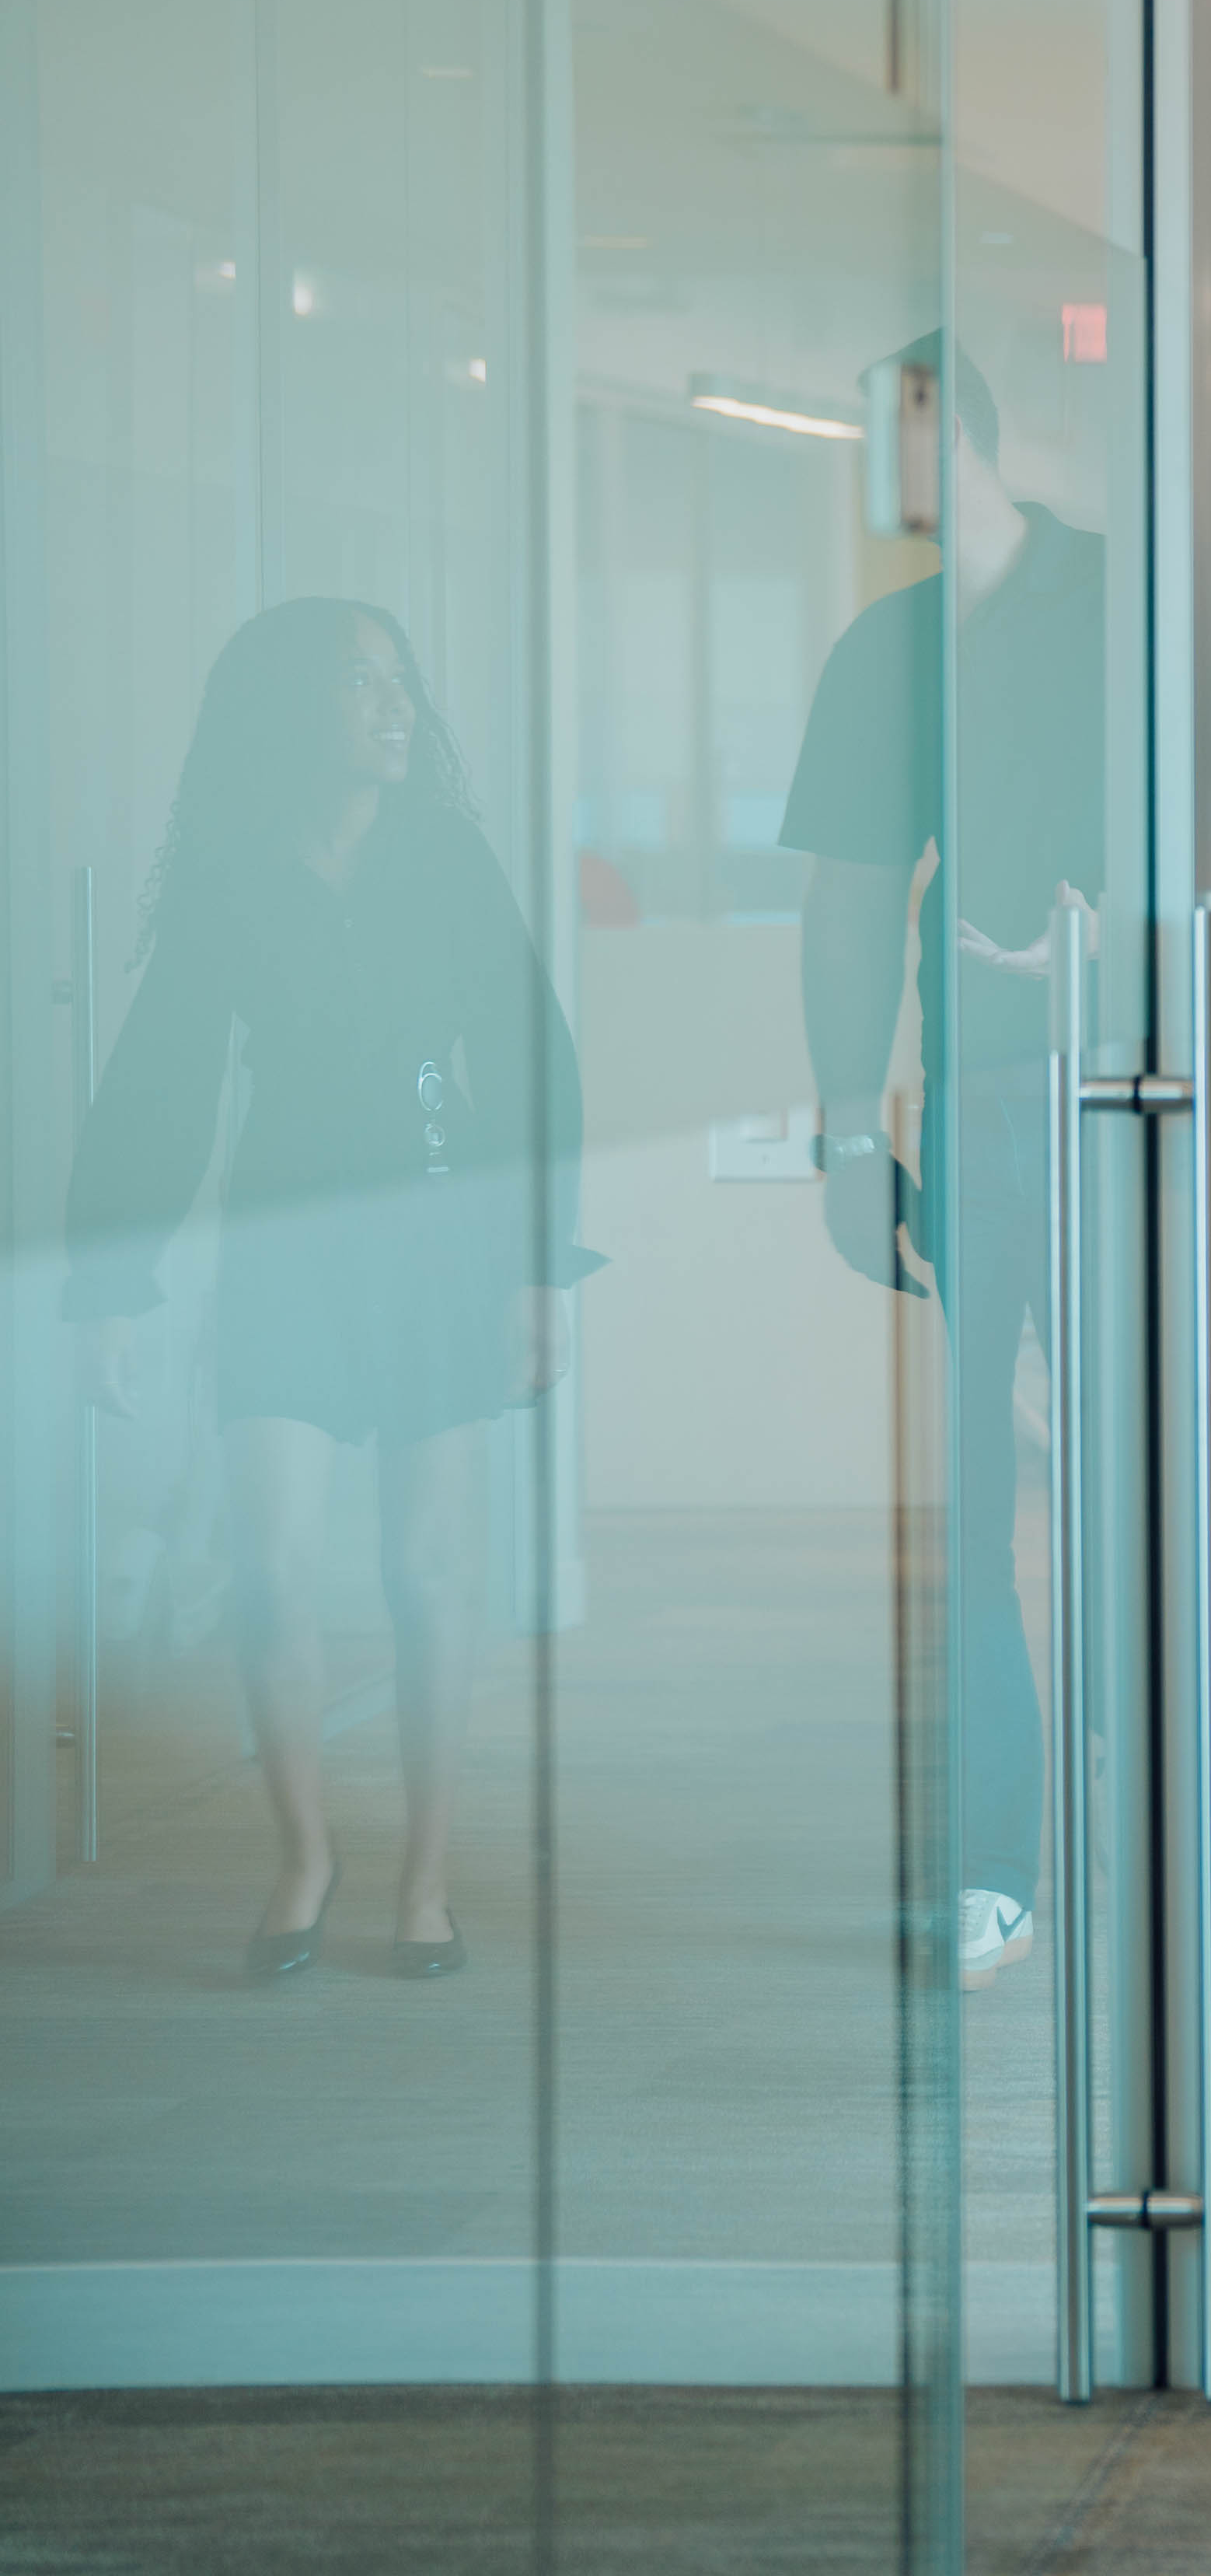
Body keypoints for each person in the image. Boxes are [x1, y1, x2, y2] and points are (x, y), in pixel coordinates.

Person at [783, 335, 1211, 1991]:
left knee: (1132, 1471)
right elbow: (851, 900)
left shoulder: (1138, 595)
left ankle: (1162, 1812)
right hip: (983, 1107)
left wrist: (1131, 952)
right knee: (970, 1496)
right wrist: (847, 1119)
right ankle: (998, 1850)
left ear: (955, 426)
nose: (876, 451)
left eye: (892, 416)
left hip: (1132, 1085)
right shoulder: (888, 649)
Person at [68, 599, 596, 1981]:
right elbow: (160, 1086)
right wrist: (110, 1288)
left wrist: (542, 1268)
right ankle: (305, 1853)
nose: (394, 706)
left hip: (441, 1245)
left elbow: (536, 1055)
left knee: (430, 1577)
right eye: (362, 683)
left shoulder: (449, 864)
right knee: (276, 1574)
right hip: (286, 1261)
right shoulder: (231, 881)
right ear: (294, 709)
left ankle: (425, 1877)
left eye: (403, 681)